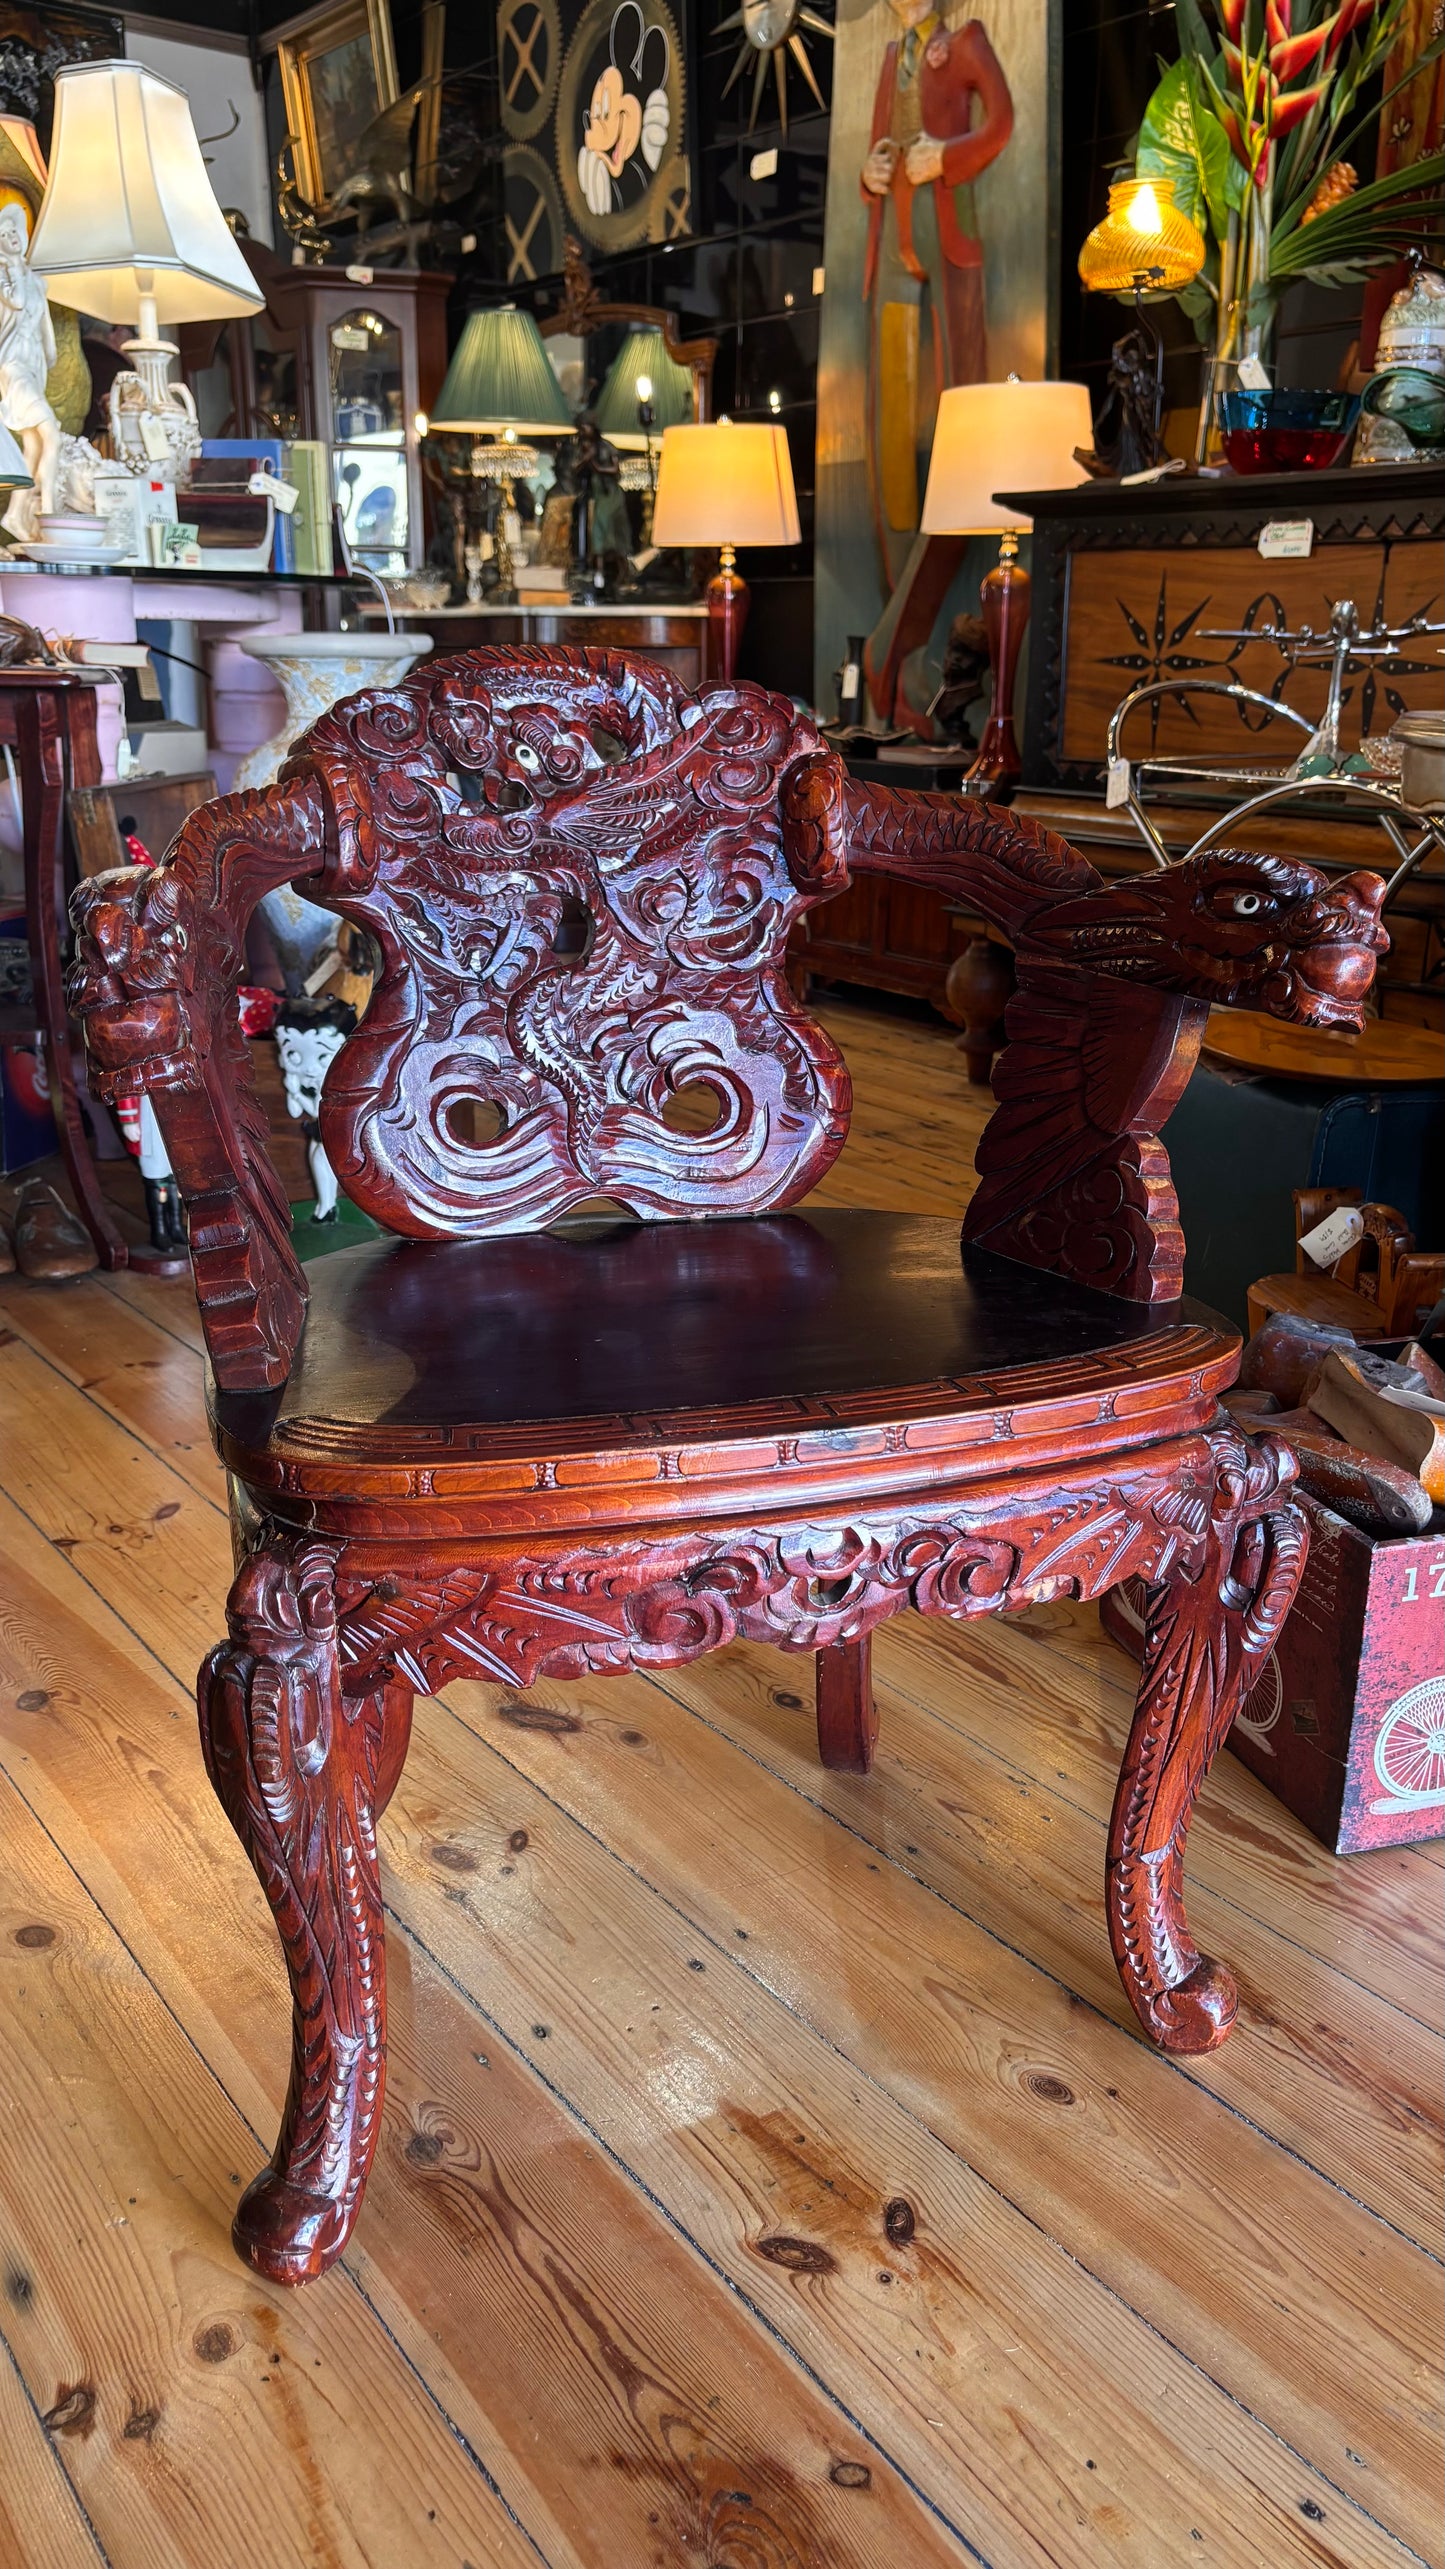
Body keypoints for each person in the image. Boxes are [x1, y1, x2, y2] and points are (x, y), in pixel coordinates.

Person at [859, 0, 1013, 727]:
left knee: (961, 449)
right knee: (892, 461)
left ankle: (895, 653)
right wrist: (872, 171)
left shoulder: (968, 41)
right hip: (893, 257)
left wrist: (945, 159)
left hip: (953, 251)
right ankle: (893, 667)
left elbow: (1001, 124)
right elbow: (872, 159)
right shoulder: (893, 60)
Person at [0, 201, 60, 530]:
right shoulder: (4, 279)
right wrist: (10, 267)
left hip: (33, 362)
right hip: (12, 363)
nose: (11, 237)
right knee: (52, 435)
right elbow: (18, 302)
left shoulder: (36, 280)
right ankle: (49, 509)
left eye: (13, 231)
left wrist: (50, 353)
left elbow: (44, 322)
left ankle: (14, 514)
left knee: (34, 442)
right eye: (3, 234)